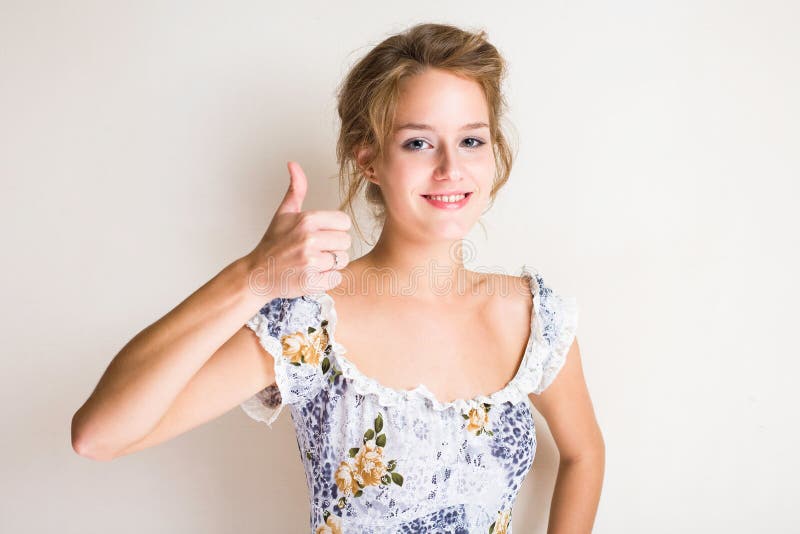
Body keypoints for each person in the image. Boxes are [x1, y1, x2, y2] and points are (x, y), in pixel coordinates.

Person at [71, 22, 604, 533]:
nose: (450, 169)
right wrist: (253, 277)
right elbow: (99, 437)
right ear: (368, 158)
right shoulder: (310, 325)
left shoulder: (536, 318)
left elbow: (584, 452)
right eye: (418, 142)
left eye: (471, 141)